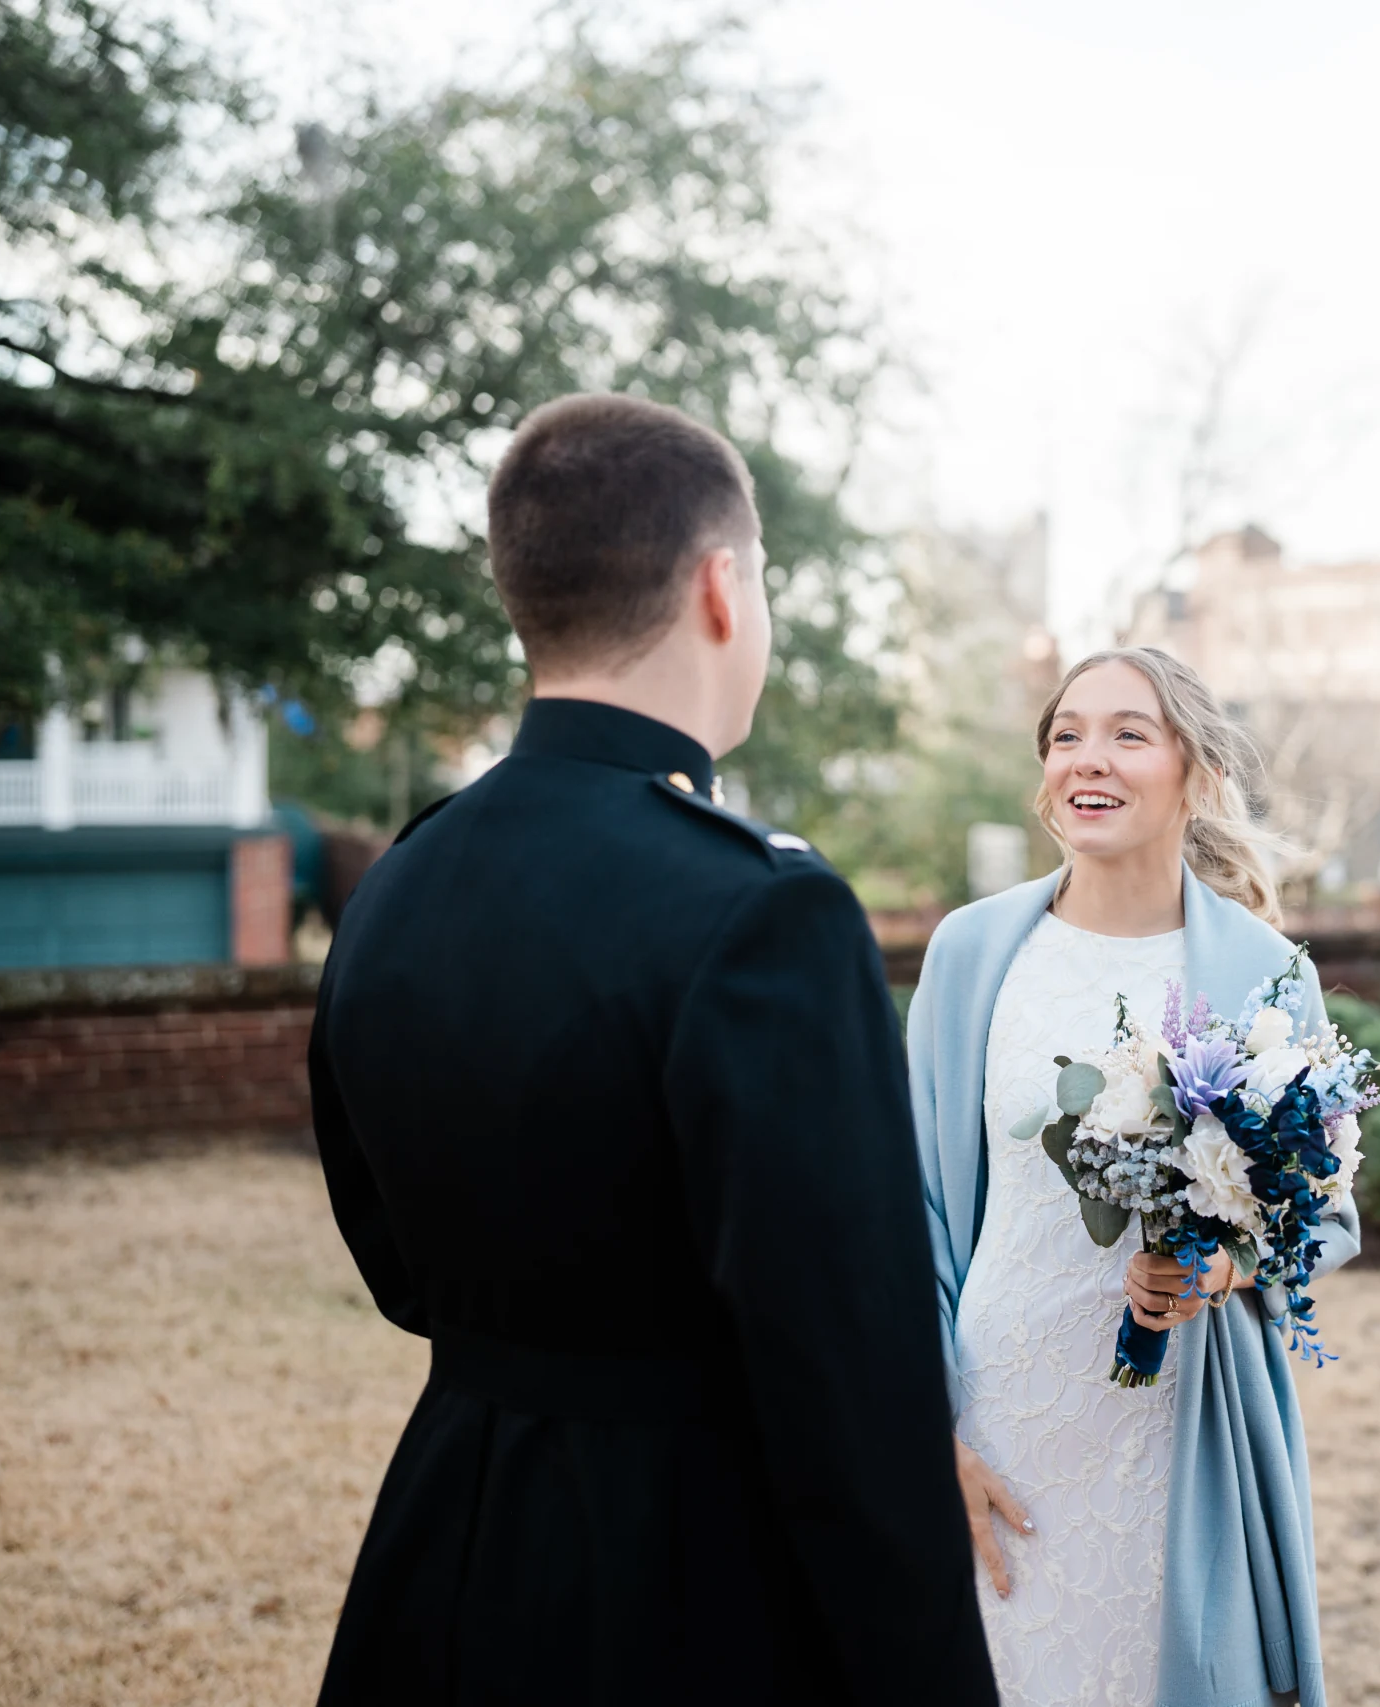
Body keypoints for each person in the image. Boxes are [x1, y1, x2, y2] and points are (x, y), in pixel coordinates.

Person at [309, 393, 994, 1706]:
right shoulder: (761, 910)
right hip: (686, 1584)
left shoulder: (400, 879)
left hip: (443, 1541)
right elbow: (853, 1384)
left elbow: (393, 1259)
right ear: (722, 586)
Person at [907, 647, 1361, 1707]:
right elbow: (909, 1208)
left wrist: (1224, 1268)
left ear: (1193, 771)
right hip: (997, 1413)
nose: (1087, 758)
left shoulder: (1263, 974)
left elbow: (1324, 1207)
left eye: (1127, 732)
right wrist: (929, 1430)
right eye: (1066, 734)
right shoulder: (972, 953)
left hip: (1178, 1426)